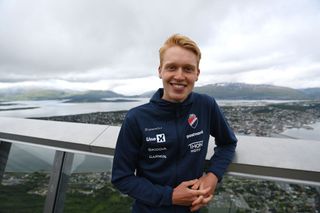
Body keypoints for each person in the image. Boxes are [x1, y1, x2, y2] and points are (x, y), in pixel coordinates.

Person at [111, 34, 237, 212]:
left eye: (188, 69)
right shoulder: (137, 118)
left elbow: (228, 143)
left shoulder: (206, 105)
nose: (179, 76)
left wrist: (212, 176)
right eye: (171, 67)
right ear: (160, 70)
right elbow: (121, 177)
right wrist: (170, 197)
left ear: (197, 74)